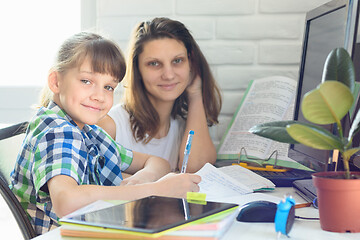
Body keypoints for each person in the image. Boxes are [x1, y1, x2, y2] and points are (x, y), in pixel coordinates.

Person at [10, 32, 201, 235]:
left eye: (108, 87)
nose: (99, 96)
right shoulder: (57, 131)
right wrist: (155, 189)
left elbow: (158, 162)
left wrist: (144, 177)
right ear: (56, 82)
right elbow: (67, 201)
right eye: (86, 81)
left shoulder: (90, 133)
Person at [98, 17, 222, 173]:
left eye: (177, 60)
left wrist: (195, 94)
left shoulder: (186, 126)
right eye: (154, 63)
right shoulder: (111, 125)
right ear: (138, 69)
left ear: (191, 63)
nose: (169, 75)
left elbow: (198, 170)